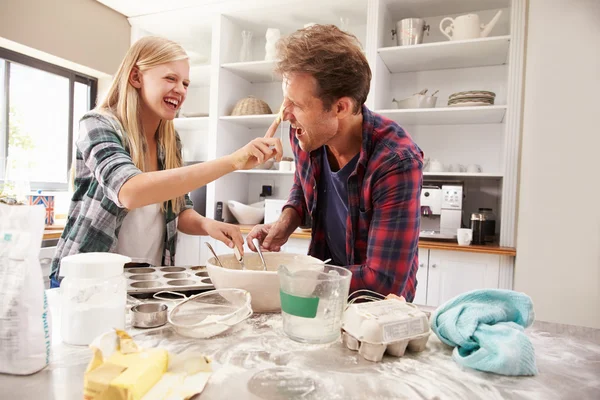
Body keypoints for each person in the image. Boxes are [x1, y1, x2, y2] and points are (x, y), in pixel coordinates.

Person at [50, 36, 282, 287]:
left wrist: (207, 224)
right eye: (171, 78)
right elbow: (129, 191)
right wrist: (232, 162)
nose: (181, 90)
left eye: (185, 83)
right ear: (136, 77)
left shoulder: (170, 142)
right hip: (86, 284)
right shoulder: (97, 124)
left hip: (144, 282)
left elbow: (177, 211)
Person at [246, 25, 423, 301]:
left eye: (296, 104)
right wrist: (286, 221)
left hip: (373, 309)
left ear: (340, 107)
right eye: (285, 100)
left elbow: (384, 281)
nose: (285, 115)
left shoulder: (396, 161)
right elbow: (303, 188)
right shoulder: (306, 135)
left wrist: (297, 277)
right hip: (319, 290)